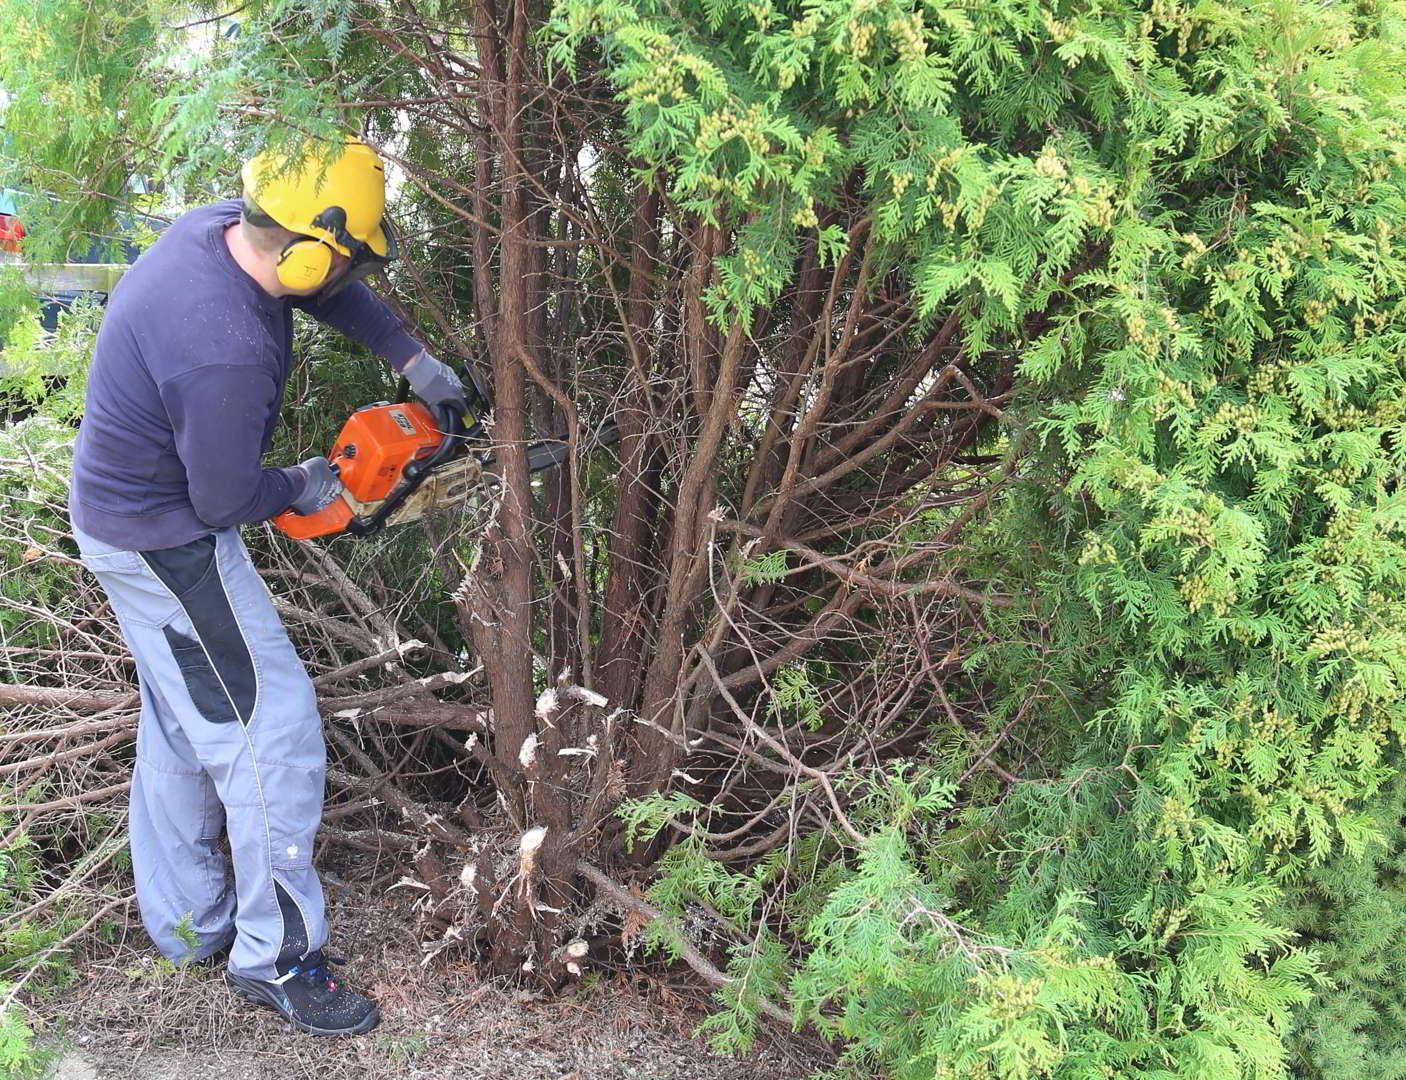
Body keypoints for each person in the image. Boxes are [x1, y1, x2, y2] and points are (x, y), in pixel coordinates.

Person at [67, 136, 467, 1036]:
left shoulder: (222, 229)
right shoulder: (224, 353)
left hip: (124, 521)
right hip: (170, 543)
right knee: (268, 733)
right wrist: (304, 483)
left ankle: (187, 924)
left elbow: (331, 291)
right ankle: (276, 957)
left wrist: (413, 361)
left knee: (187, 715)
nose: (345, 275)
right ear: (306, 249)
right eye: (345, 259)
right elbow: (224, 496)